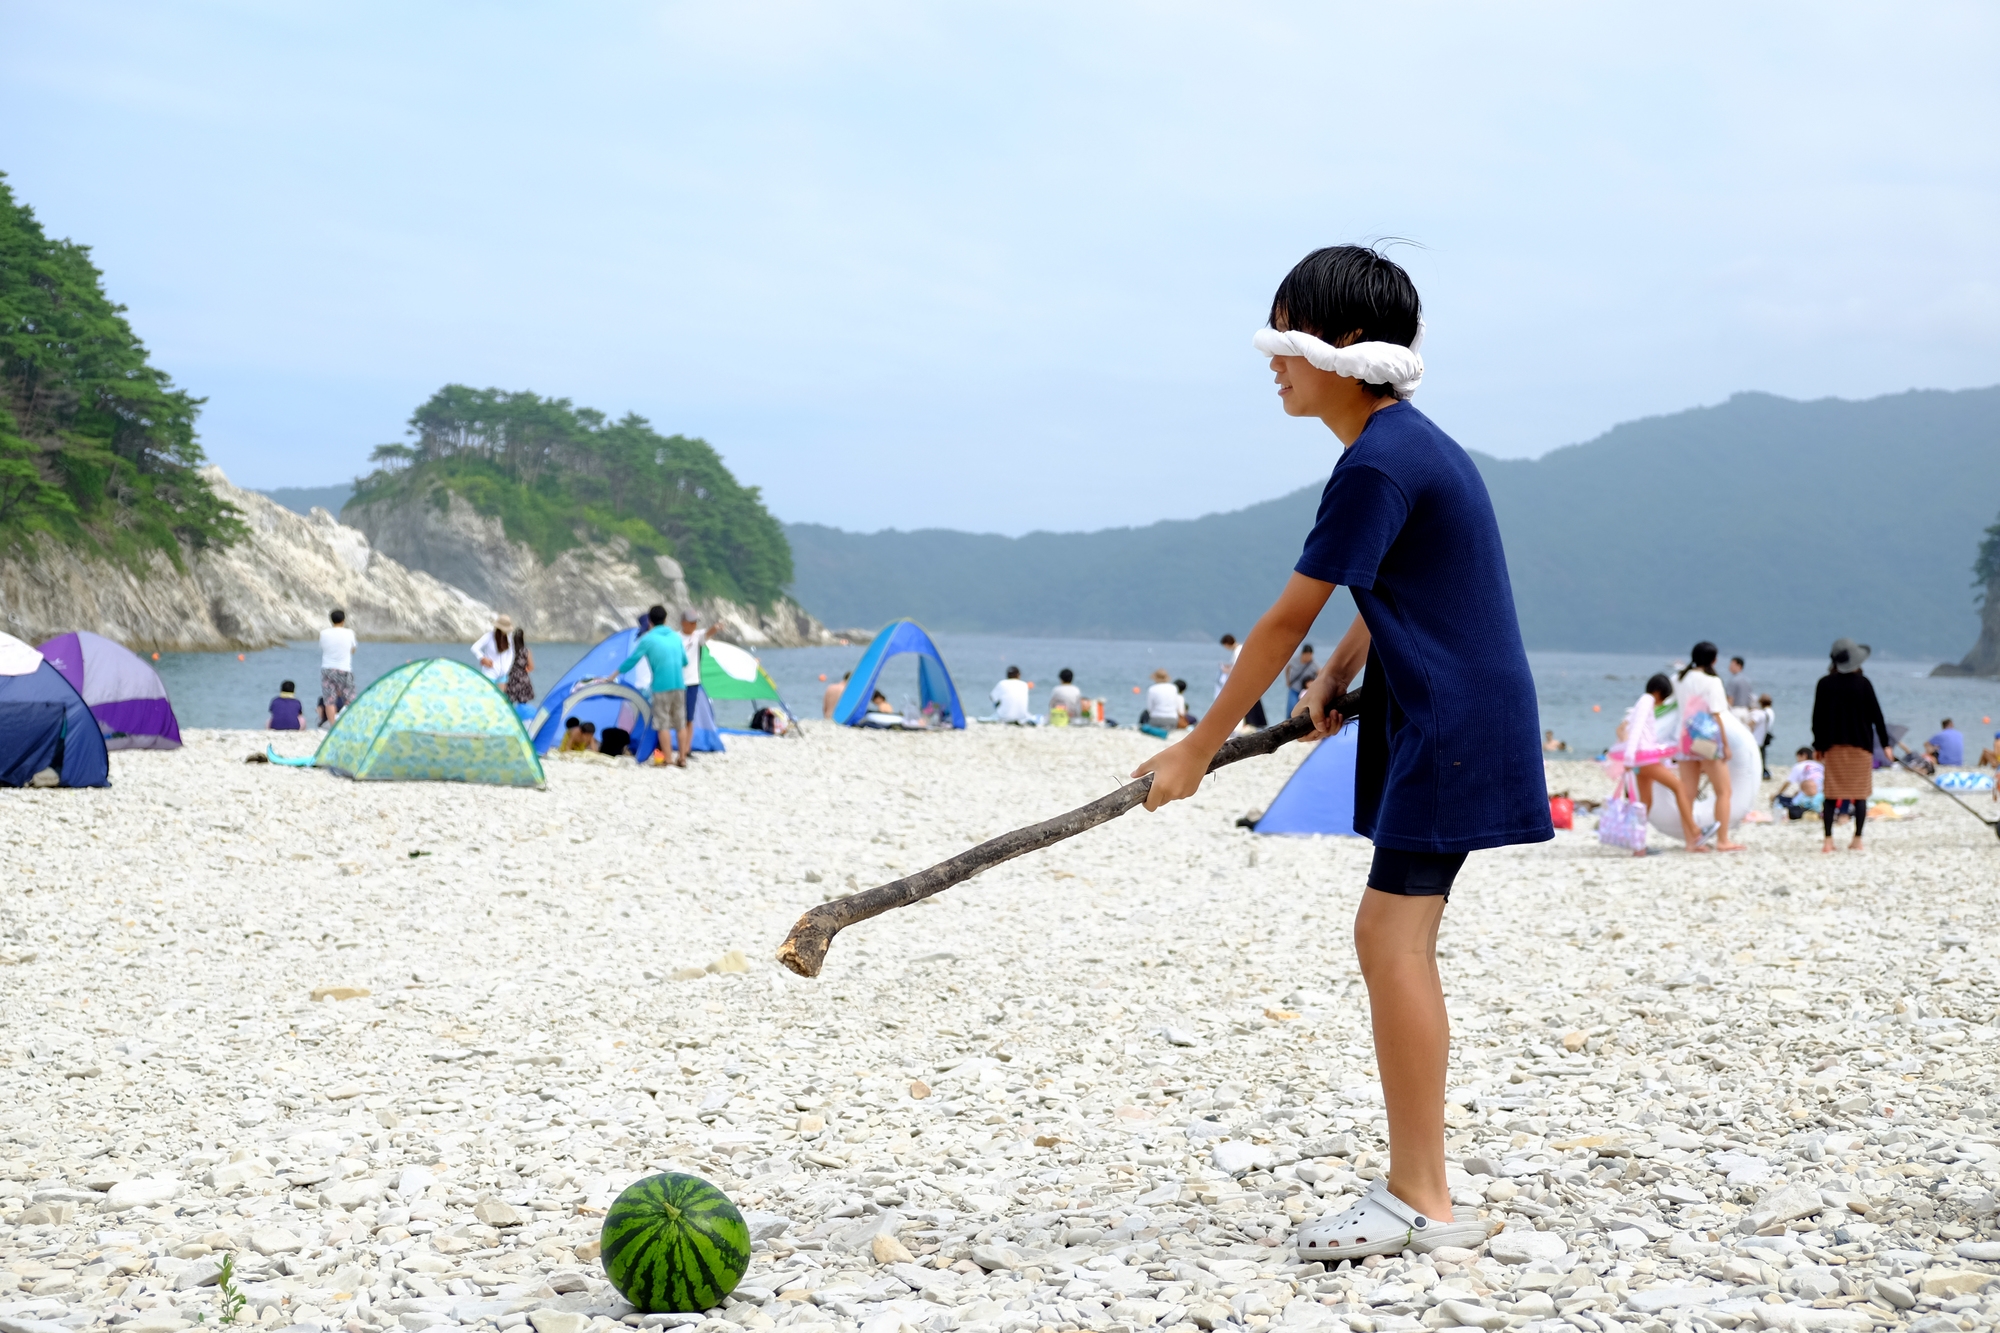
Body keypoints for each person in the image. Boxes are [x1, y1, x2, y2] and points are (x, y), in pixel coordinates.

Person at [1133, 245, 1545, 1259]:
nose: (1270, 362)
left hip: (1447, 721)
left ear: (1341, 346)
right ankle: (1423, 1190)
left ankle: (1417, 1197)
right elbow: (1386, 583)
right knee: (1391, 937)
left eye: (1284, 339)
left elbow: (1279, 622)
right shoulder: (1400, 445)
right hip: (1438, 710)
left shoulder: (1374, 459)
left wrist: (1195, 745)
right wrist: (1337, 673)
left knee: (1388, 941)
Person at [1811, 636, 1893, 853]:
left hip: (1833, 747)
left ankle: (1828, 841)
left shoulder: (1824, 684)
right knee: (1859, 794)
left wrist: (1818, 745)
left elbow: (1817, 718)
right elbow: (1877, 716)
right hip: (1860, 747)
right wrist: (1886, 744)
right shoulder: (1864, 684)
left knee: (1831, 794)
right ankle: (1857, 839)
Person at [1673, 641, 1744, 852]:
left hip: (1684, 737)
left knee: (1687, 792)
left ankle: (1690, 842)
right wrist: (1727, 745)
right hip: (1706, 739)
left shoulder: (1677, 679)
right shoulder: (1712, 682)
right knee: (1723, 791)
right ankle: (1723, 840)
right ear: (1714, 660)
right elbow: (1717, 715)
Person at [1616, 673, 1699, 850]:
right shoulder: (1647, 701)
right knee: (1679, 787)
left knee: (1645, 802)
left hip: (1640, 759)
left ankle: (1638, 845)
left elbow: (1627, 727)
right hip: (1644, 759)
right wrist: (1629, 757)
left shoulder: (1641, 702)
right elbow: (1637, 729)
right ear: (1660, 693)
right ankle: (1694, 832)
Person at [615, 604, 689, 767]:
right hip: (679, 685)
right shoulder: (676, 637)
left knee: (663, 724)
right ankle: (682, 758)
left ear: (649, 621)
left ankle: (668, 759)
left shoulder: (648, 638)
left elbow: (632, 660)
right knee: (680, 723)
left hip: (661, 686)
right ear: (665, 619)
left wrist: (613, 675)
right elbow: (685, 661)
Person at [680, 609, 723, 739]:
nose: (694, 625)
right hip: (676, 682)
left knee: (689, 717)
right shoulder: (675, 637)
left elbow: (707, 633)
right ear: (683, 623)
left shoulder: (697, 636)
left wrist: (715, 628)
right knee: (676, 717)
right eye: (691, 622)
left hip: (692, 681)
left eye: (695, 623)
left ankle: (686, 750)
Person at [1218, 633, 1268, 728]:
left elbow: (1239, 667)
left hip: (1246, 680)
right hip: (1249, 678)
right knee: (1252, 701)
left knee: (1248, 702)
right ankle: (1255, 723)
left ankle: (1252, 723)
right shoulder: (1239, 649)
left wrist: (1226, 670)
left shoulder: (1238, 651)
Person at [320, 608, 358, 724]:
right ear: (343, 620)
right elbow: (353, 649)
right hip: (344, 668)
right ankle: (348, 722)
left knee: (329, 699)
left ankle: (332, 724)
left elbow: (323, 648)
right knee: (349, 698)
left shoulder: (324, 633)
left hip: (327, 668)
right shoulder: (349, 633)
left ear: (331, 620)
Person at [1775, 746, 1824, 820]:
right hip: (1822, 796)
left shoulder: (1799, 766)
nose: (1797, 760)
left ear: (1803, 755)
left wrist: (1777, 793)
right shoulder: (1820, 766)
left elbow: (1788, 782)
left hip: (1804, 798)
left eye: (1797, 757)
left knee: (1779, 800)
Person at [472, 615, 515, 685]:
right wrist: (482, 658)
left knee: (502, 696)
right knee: (488, 695)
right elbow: (475, 648)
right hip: (490, 673)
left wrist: (508, 667)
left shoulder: (509, 638)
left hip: (503, 675)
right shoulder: (489, 636)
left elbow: (511, 653)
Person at [502, 628, 535, 707]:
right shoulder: (526, 651)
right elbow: (531, 667)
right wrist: (524, 670)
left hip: (511, 678)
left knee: (509, 703)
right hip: (522, 678)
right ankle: (521, 717)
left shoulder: (509, 651)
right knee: (523, 703)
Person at [1285, 644, 1317, 716]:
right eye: (1307, 655)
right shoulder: (1295, 661)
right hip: (1294, 688)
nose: (1309, 657)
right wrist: (1288, 680)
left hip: (1305, 690)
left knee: (1302, 710)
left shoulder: (1313, 664)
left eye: (1310, 655)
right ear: (1303, 654)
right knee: (1291, 707)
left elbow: (1319, 672)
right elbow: (1287, 668)